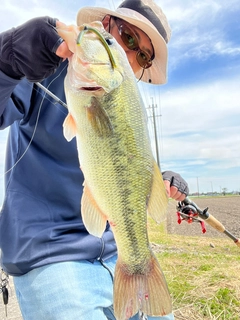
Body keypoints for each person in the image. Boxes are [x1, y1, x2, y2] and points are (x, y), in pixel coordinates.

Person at [0, 0, 189, 319]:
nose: (130, 57)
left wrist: (163, 176)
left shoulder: (126, 99)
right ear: (105, 25)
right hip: (50, 253)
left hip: (118, 251)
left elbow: (129, 163)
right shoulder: (40, 64)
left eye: (142, 55)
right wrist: (7, 58)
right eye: (127, 39)